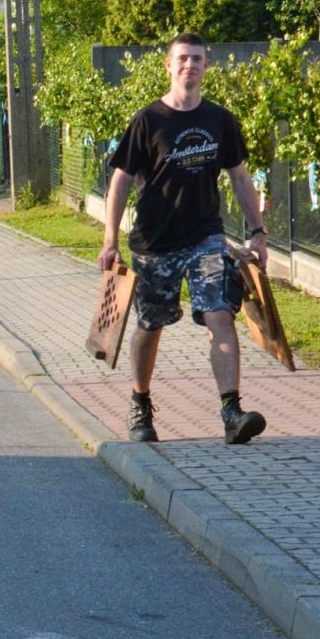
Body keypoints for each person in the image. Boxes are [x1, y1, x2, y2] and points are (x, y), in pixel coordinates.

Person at [99, 32, 269, 446]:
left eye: (197, 59)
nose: (190, 65)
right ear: (169, 66)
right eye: (183, 59)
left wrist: (258, 232)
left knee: (219, 315)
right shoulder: (148, 120)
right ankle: (140, 402)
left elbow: (241, 178)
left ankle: (232, 411)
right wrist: (109, 239)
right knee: (150, 325)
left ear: (205, 67)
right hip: (154, 243)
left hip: (206, 236)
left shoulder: (220, 120)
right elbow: (120, 181)